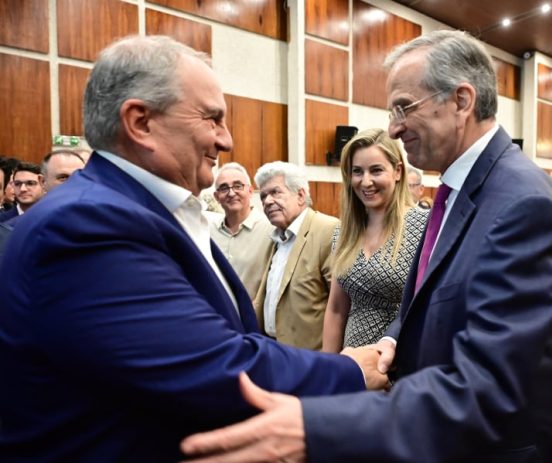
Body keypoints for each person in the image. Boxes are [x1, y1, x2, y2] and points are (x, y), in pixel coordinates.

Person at [181, 29, 552, 463]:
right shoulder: (458, 192)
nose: (394, 126)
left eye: (403, 107)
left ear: (461, 101)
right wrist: (391, 342)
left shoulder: (520, 201)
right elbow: (424, 302)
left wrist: (321, 424)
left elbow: (494, 381)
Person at [0, 35, 387, 462]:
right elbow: (213, 367)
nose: (226, 139)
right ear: (140, 122)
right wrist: (349, 371)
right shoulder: (87, 223)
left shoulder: (144, 211)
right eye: (212, 118)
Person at [322, 128, 427, 352]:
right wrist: (330, 365)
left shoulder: (423, 226)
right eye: (357, 172)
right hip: (352, 362)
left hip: (401, 360)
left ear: (397, 171)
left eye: (376, 170)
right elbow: (337, 309)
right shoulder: (344, 231)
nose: (366, 181)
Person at [253, 161, 338, 350]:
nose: (267, 201)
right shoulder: (275, 238)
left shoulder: (328, 230)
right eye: (263, 196)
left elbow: (342, 306)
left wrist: (330, 359)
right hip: (274, 351)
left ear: (300, 195)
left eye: (275, 192)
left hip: (313, 357)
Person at [209, 162, 274, 299]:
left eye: (238, 186)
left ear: (250, 191)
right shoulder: (208, 231)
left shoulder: (271, 230)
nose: (231, 193)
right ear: (216, 197)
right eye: (224, 188)